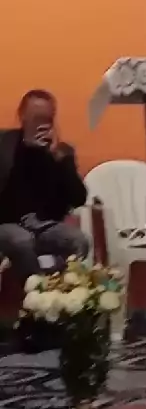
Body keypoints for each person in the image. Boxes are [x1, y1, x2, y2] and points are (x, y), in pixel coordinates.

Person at [0, 90, 88, 282]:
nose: (42, 124)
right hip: (8, 223)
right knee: (22, 240)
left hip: (46, 225)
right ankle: (37, 292)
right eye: (36, 118)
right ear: (22, 116)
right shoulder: (4, 144)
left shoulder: (62, 151)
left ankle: (66, 290)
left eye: (47, 119)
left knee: (78, 240)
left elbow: (79, 199)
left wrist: (60, 160)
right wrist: (25, 150)